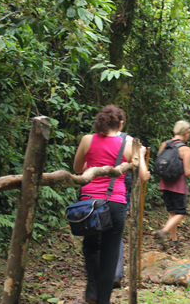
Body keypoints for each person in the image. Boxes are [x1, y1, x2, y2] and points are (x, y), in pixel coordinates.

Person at [73, 105, 150, 304]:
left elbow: (77, 168)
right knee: (110, 252)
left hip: (89, 203)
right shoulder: (129, 143)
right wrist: (140, 155)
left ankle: (92, 290)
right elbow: (142, 176)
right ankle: (103, 300)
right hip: (115, 203)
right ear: (121, 123)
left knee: (91, 246)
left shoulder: (87, 140)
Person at [154, 120, 190, 250]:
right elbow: (188, 172)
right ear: (185, 133)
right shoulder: (185, 149)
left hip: (164, 184)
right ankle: (164, 231)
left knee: (172, 212)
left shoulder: (164, 145)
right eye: (189, 133)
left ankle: (174, 241)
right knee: (180, 213)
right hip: (178, 186)